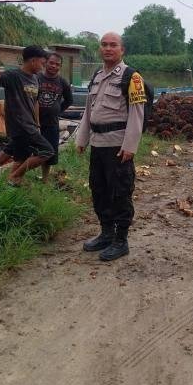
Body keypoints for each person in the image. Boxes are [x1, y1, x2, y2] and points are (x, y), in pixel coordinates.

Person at [76, 32, 145, 261]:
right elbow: (89, 110)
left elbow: (137, 114)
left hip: (118, 146)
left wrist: (130, 146)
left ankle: (120, 240)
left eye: (113, 45)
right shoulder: (96, 75)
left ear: (122, 50)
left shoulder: (131, 77)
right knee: (99, 190)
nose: (108, 48)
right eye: (104, 45)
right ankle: (106, 234)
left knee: (120, 193)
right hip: (98, 144)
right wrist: (81, 139)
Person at [0, 46, 54, 186]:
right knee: (47, 151)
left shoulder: (35, 79)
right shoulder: (14, 76)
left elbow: (35, 102)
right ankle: (14, 177)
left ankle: (2, 178)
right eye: (42, 63)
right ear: (33, 60)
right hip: (20, 124)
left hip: (30, 125)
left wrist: (37, 123)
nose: (43, 66)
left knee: (16, 152)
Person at [38, 52, 73, 182]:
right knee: (27, 150)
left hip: (51, 123)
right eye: (51, 63)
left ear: (60, 66)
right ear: (46, 62)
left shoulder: (62, 82)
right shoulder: (37, 78)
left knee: (49, 153)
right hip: (33, 122)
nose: (54, 66)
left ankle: (45, 179)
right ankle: (19, 176)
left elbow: (69, 100)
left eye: (57, 64)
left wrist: (58, 110)